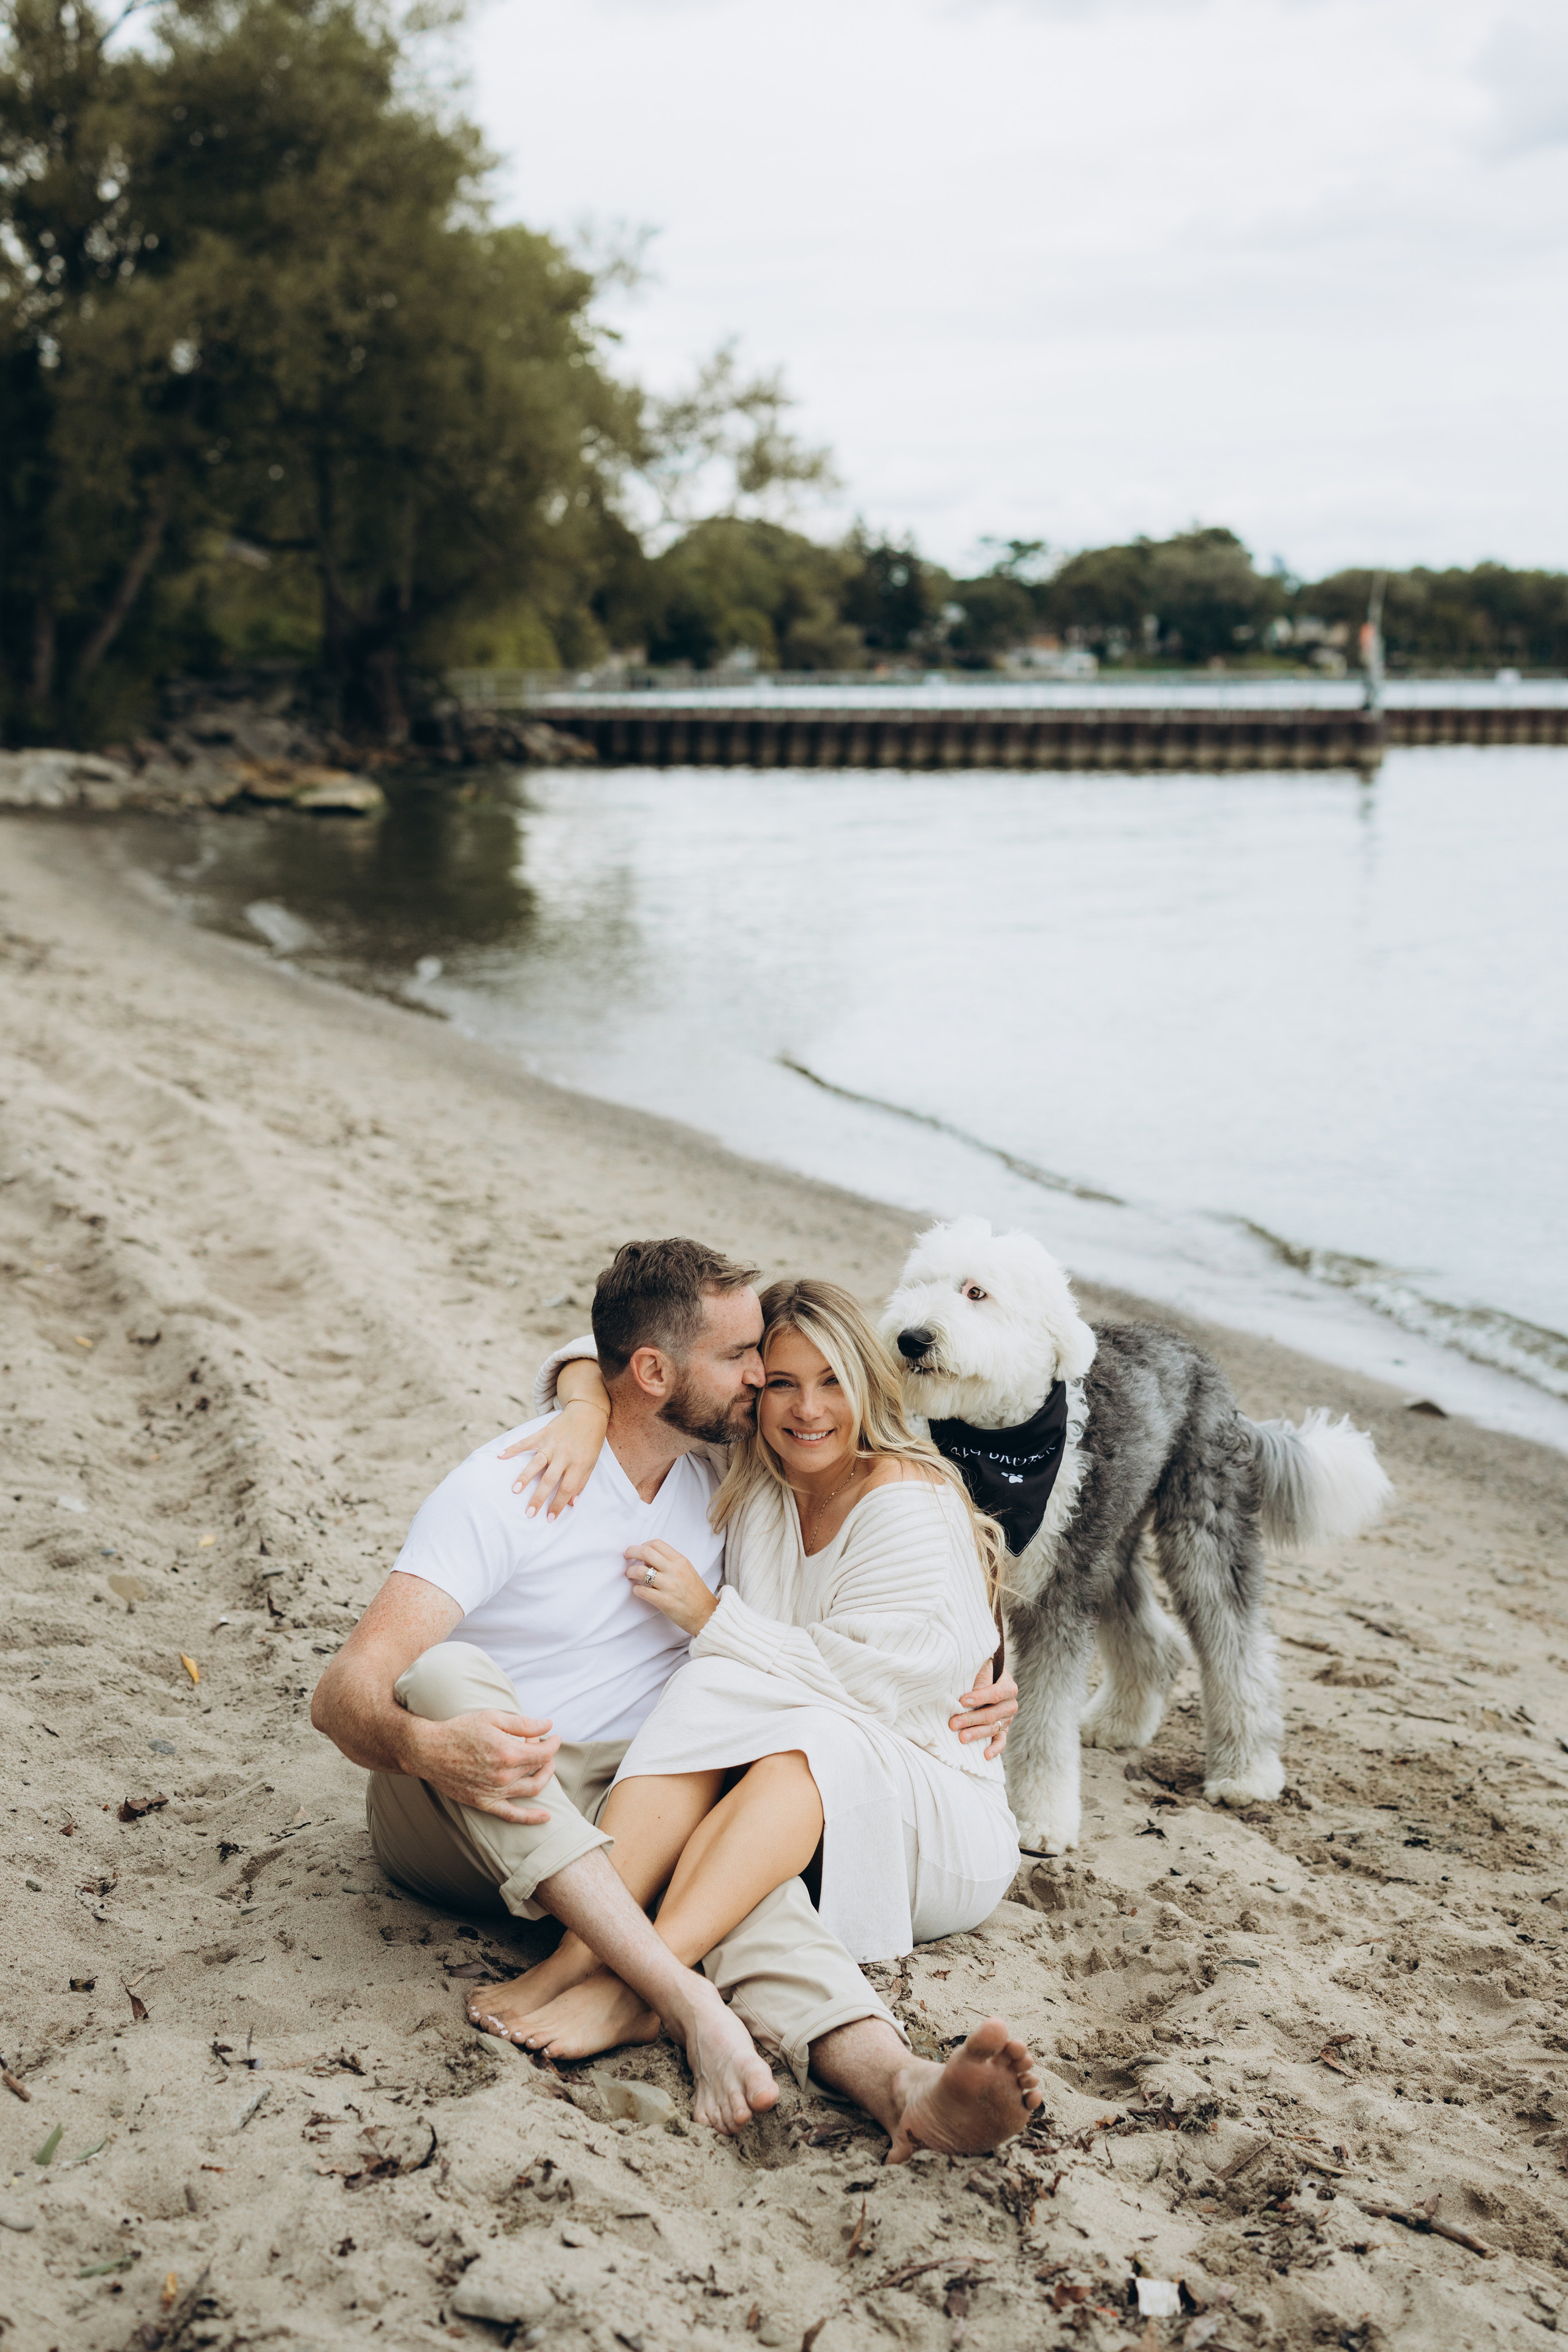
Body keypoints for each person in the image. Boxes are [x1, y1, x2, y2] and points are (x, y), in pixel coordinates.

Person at [312, 1238, 1038, 2158]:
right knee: (446, 1679)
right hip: (484, 1791)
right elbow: (344, 1691)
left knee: (752, 1888)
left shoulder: (721, 1470)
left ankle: (900, 2085)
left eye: (772, 1369)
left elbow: (886, 1644)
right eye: (754, 1368)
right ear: (656, 1375)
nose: (770, 1389)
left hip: (657, 1790)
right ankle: (666, 1988)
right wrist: (426, 1749)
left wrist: (976, 1663)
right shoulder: (529, 1483)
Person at [488, 1275, 1029, 2086]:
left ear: (870, 1387)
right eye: (782, 1383)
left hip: (936, 1815)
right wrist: (583, 1411)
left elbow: (867, 1689)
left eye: (832, 1382)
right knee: (719, 1698)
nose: (807, 1409)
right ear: (754, 1391)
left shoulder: (909, 1502)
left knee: (783, 1720)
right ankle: (581, 1954)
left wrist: (714, 1620)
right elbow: (603, 1357)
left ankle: (642, 1984)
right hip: (796, 1787)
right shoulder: (757, 1468)